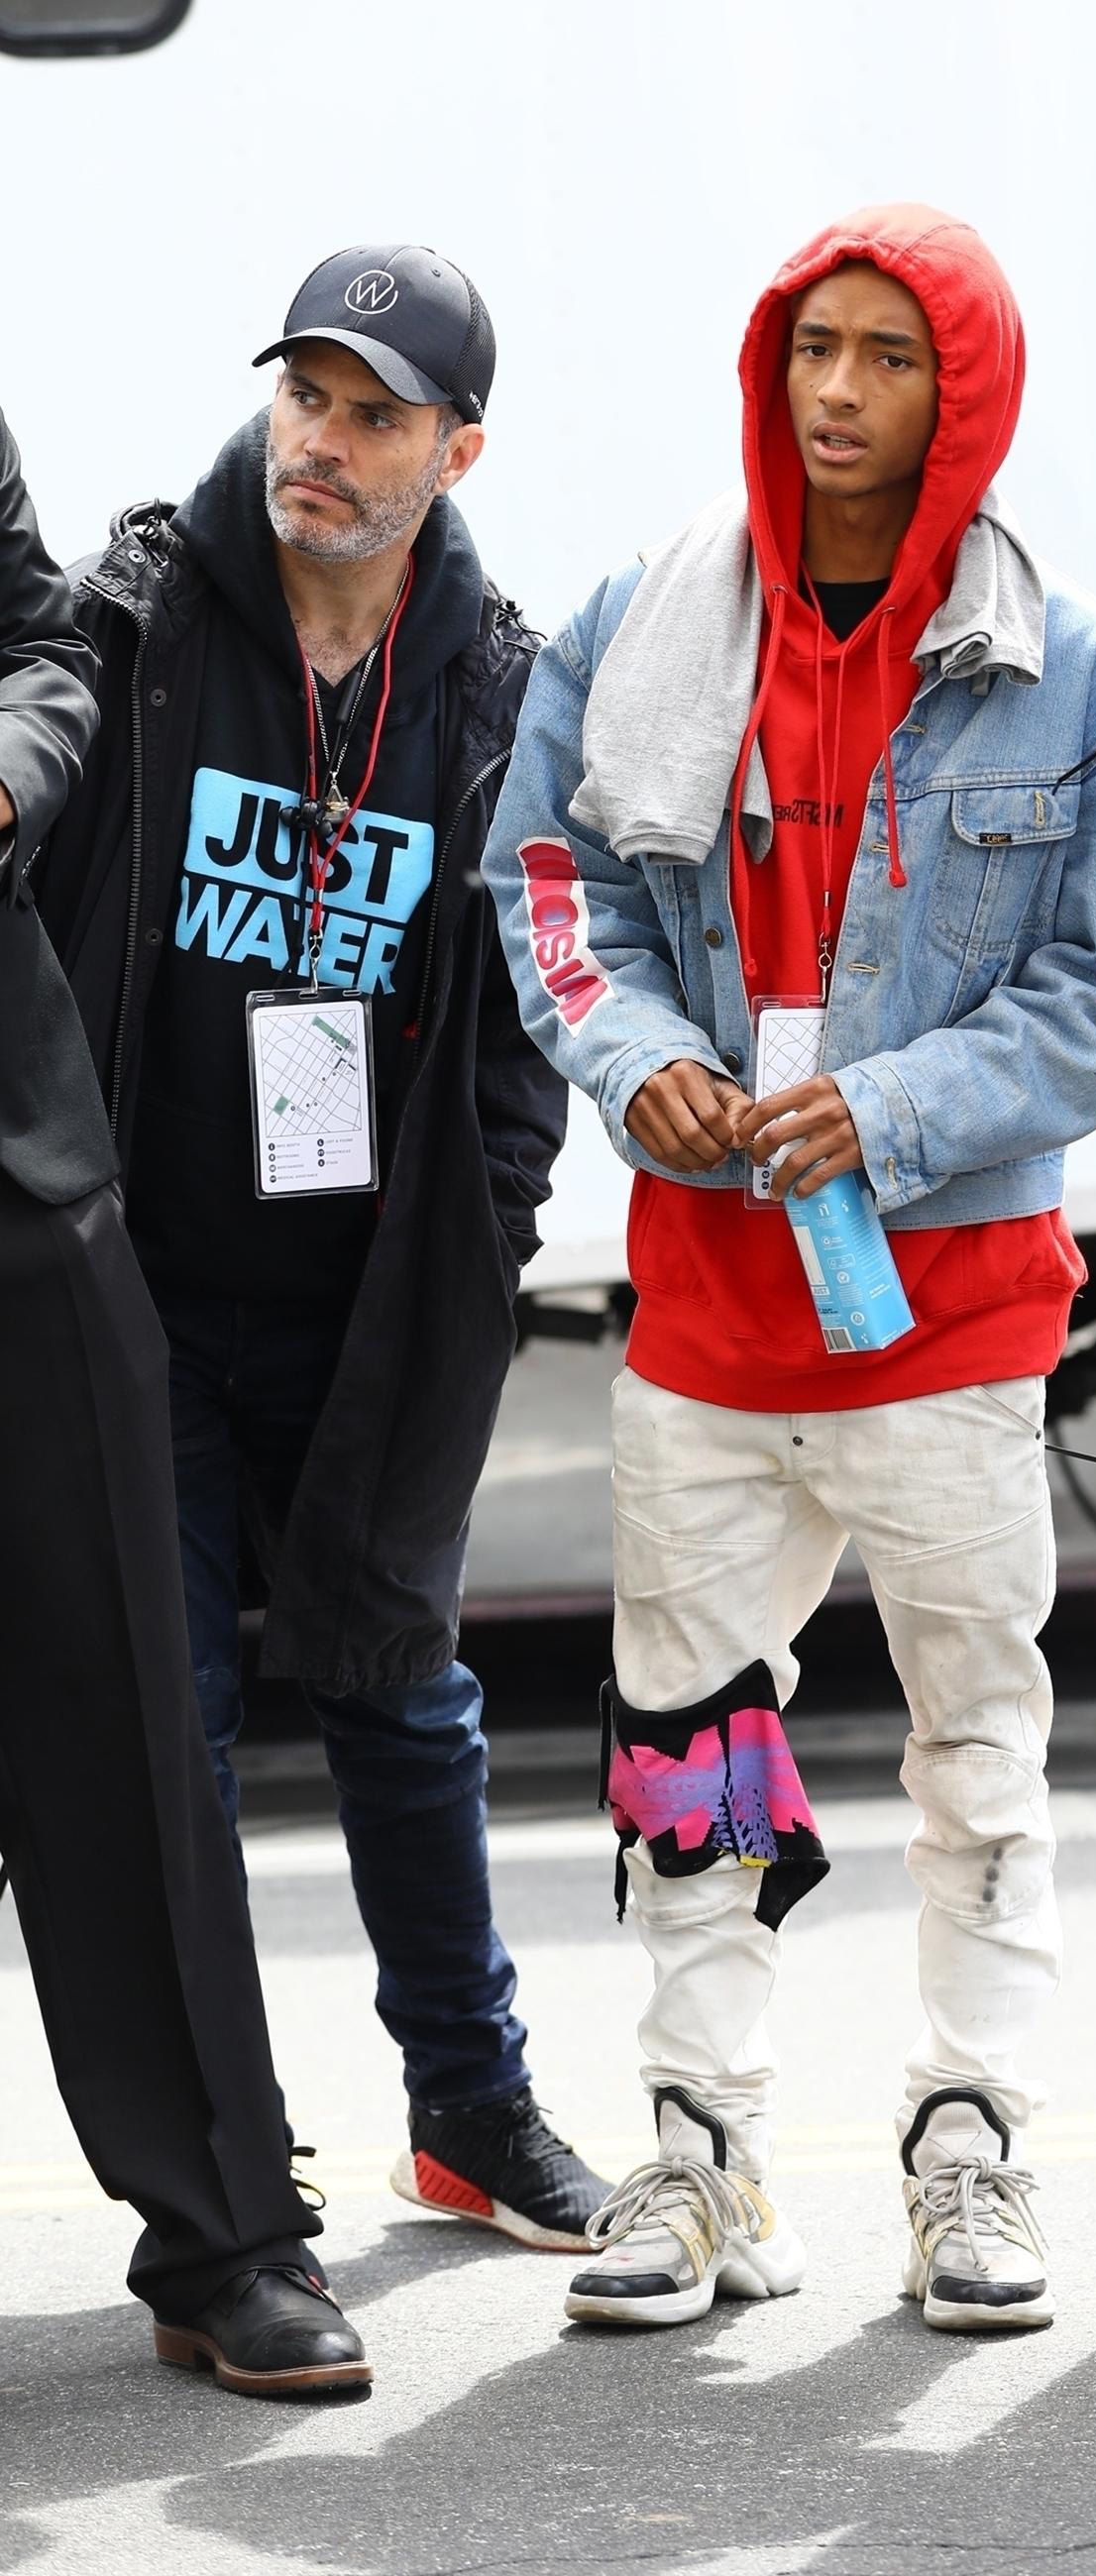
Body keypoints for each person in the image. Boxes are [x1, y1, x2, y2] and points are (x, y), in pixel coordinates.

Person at [483, 204, 1096, 2332]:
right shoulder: (644, 613)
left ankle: (974, 2146)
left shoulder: (1067, 677)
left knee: (977, 1750)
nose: (838, 392)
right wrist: (642, 1058)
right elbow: (549, 885)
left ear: (965, 400)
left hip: (950, 1319)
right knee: (697, 1745)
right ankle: (700, 2158)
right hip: (708, 1313)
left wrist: (894, 1107)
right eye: (811, 350)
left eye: (888, 358)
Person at [34, 247, 606, 2251]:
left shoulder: (496, 689)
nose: (324, 444)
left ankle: (471, 2106)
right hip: (144, 1304)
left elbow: (537, 1001)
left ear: (457, 448)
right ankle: (224, 2158)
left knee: (401, 1691)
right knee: (163, 1739)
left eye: (373, 414)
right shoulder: (141, 625)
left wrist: (490, 1232)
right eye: (305, 397)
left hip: (372, 1304)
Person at [0, 410, 369, 2394]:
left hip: (18, 1173)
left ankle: (223, 2231)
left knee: (130, 1706)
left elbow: (42, 639)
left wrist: (10, 760)